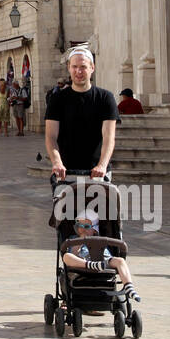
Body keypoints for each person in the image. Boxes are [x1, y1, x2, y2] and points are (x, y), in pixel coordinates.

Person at [45, 47, 119, 181]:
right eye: (74, 66)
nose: (78, 71)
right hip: (66, 172)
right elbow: (51, 136)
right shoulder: (57, 99)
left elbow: (109, 137)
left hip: (97, 173)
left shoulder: (105, 98)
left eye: (83, 67)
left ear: (92, 67)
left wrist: (102, 165)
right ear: (68, 67)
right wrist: (57, 162)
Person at [61, 210, 140, 302]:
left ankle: (128, 286)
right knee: (66, 256)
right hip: (81, 263)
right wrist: (80, 241)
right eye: (79, 226)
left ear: (94, 229)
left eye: (86, 226)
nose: (82, 229)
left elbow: (107, 255)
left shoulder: (101, 239)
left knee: (120, 261)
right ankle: (91, 264)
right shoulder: (73, 239)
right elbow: (74, 253)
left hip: (103, 262)